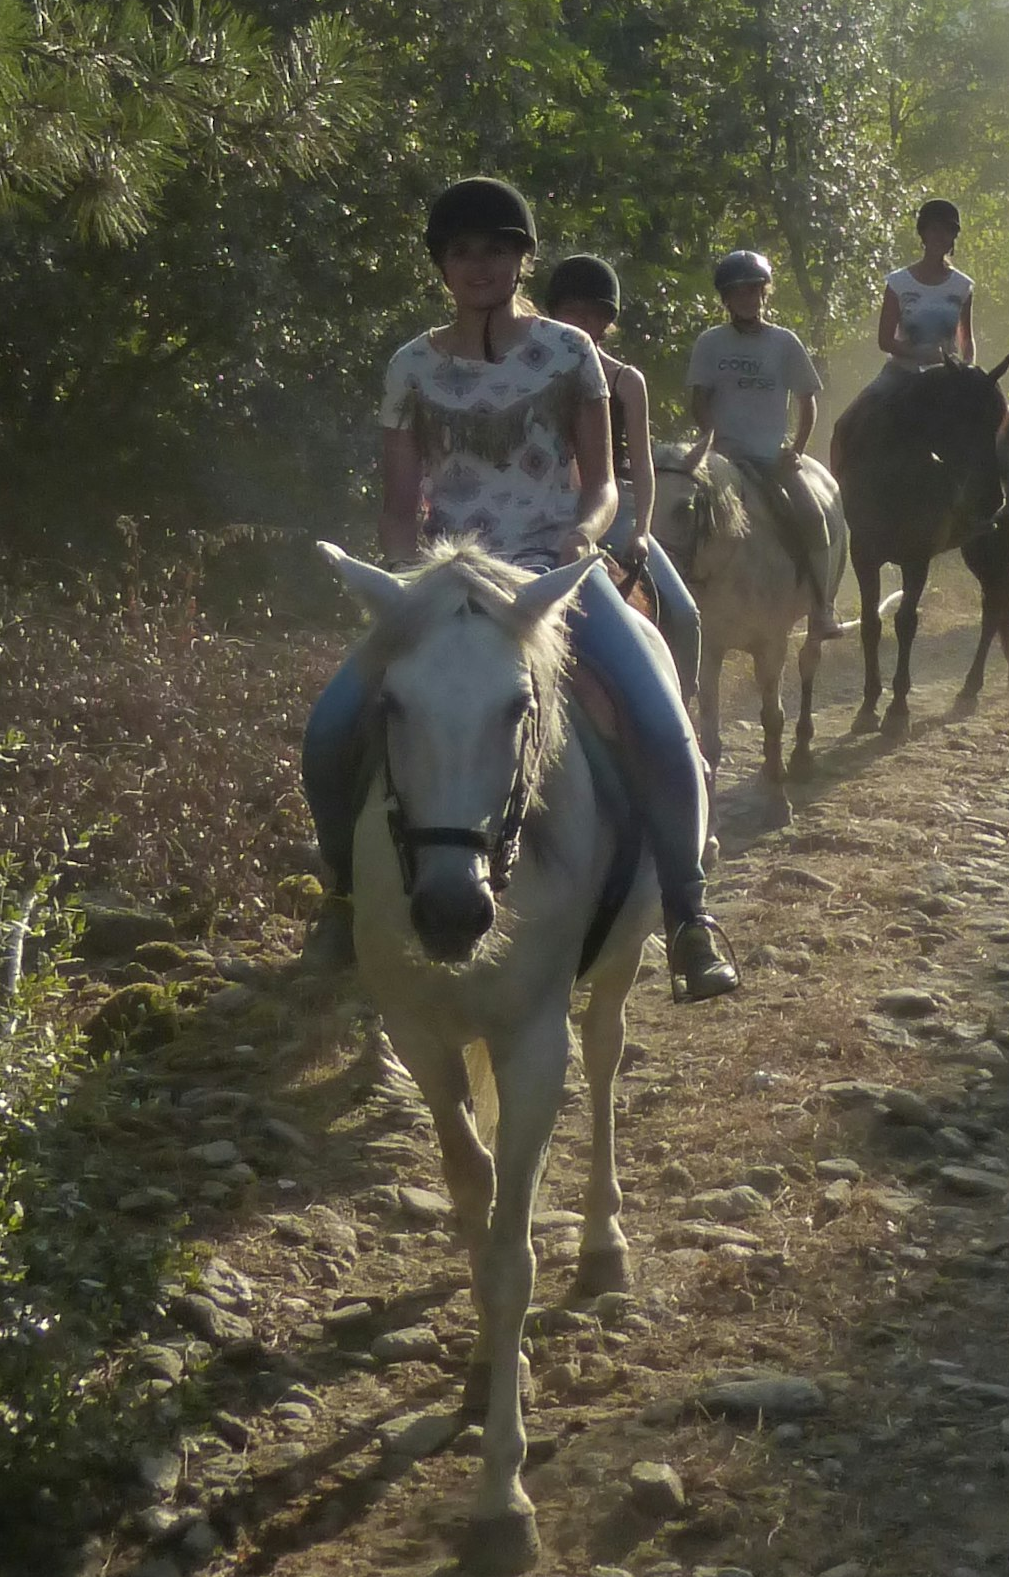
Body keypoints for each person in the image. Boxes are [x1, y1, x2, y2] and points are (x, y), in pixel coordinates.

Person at [300, 177, 738, 1000]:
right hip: (444, 584)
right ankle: (344, 896)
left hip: (549, 574)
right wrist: (409, 576)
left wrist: (584, 530)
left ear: (521, 258)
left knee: (656, 715)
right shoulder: (411, 366)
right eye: (462, 251)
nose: (480, 265)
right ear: (440, 263)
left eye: (497, 249)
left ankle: (687, 910)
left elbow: (601, 485)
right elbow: (399, 507)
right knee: (329, 729)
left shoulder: (569, 354)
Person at [537, 250, 703, 697]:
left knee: (684, 614)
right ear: (553, 314)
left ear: (606, 321)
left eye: (593, 315)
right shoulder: (529, 376)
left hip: (616, 508)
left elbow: (643, 463)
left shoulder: (625, 381)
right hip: (546, 509)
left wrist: (644, 529)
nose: (581, 324)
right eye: (572, 313)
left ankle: (683, 712)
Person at [684, 249, 841, 626]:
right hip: (721, 458)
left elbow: (808, 401)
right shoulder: (711, 342)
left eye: (755, 291)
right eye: (739, 293)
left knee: (812, 513)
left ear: (765, 294)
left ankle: (823, 606)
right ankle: (683, 606)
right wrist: (712, 442)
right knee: (683, 517)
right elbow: (699, 400)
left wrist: (796, 450)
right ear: (726, 299)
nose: (748, 299)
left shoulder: (784, 342)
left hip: (771, 457)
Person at [878, 195, 976, 374]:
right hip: (903, 371)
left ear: (953, 237)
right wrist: (918, 354)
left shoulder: (962, 286)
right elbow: (885, 340)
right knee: (870, 399)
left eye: (947, 231)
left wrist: (967, 367)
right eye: (934, 230)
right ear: (923, 234)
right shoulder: (898, 283)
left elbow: (966, 340)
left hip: (948, 373)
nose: (940, 237)